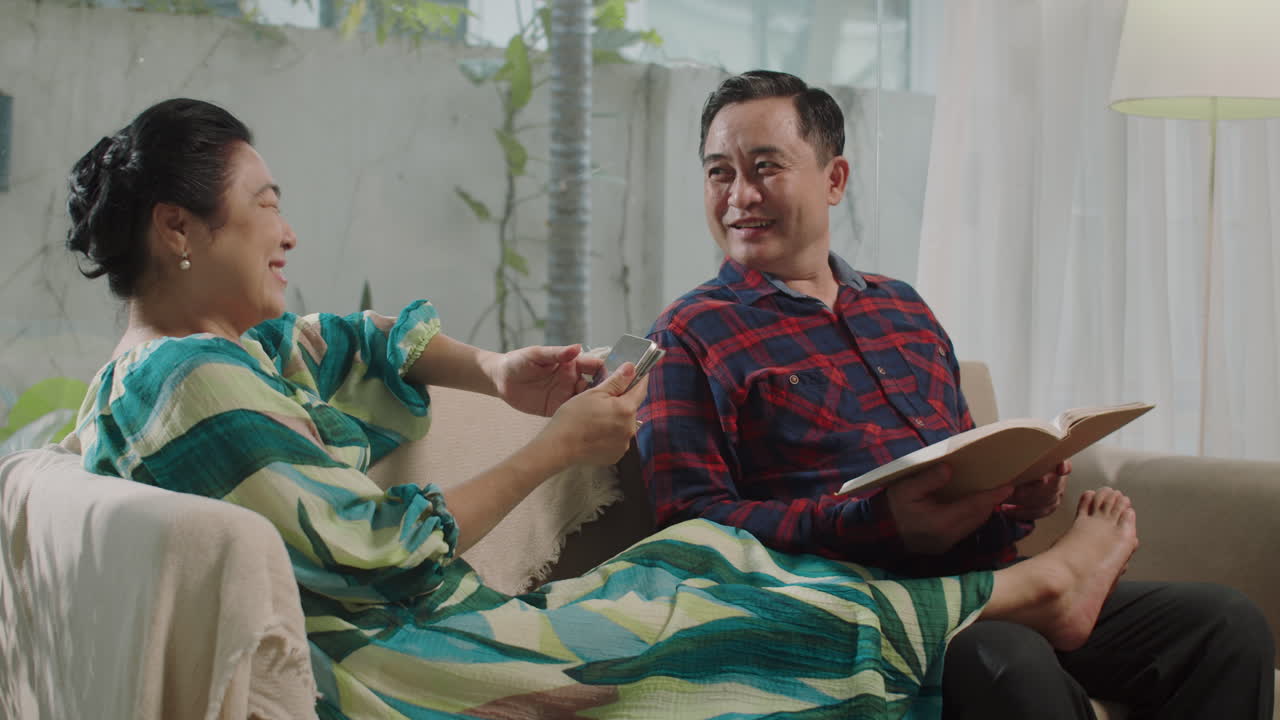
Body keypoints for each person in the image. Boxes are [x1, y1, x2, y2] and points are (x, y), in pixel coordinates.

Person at [70, 97, 1137, 720]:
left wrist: (495, 371)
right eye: (265, 204)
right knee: (730, 593)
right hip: (396, 665)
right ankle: (1028, 591)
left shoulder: (189, 363)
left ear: (833, 177)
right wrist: (552, 449)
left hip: (413, 627)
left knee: (708, 567)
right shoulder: (192, 383)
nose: (288, 232)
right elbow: (375, 550)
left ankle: (1017, 589)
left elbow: (352, 339)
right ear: (178, 229)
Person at [638, 69, 1274, 719]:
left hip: (986, 573)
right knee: (1007, 663)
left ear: (834, 179)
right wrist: (878, 524)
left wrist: (1015, 498)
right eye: (719, 173)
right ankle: (1047, 589)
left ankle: (1048, 590)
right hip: (866, 605)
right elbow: (689, 526)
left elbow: (957, 465)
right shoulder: (689, 333)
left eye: (765, 167)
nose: (740, 195)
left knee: (1224, 624)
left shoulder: (903, 308)